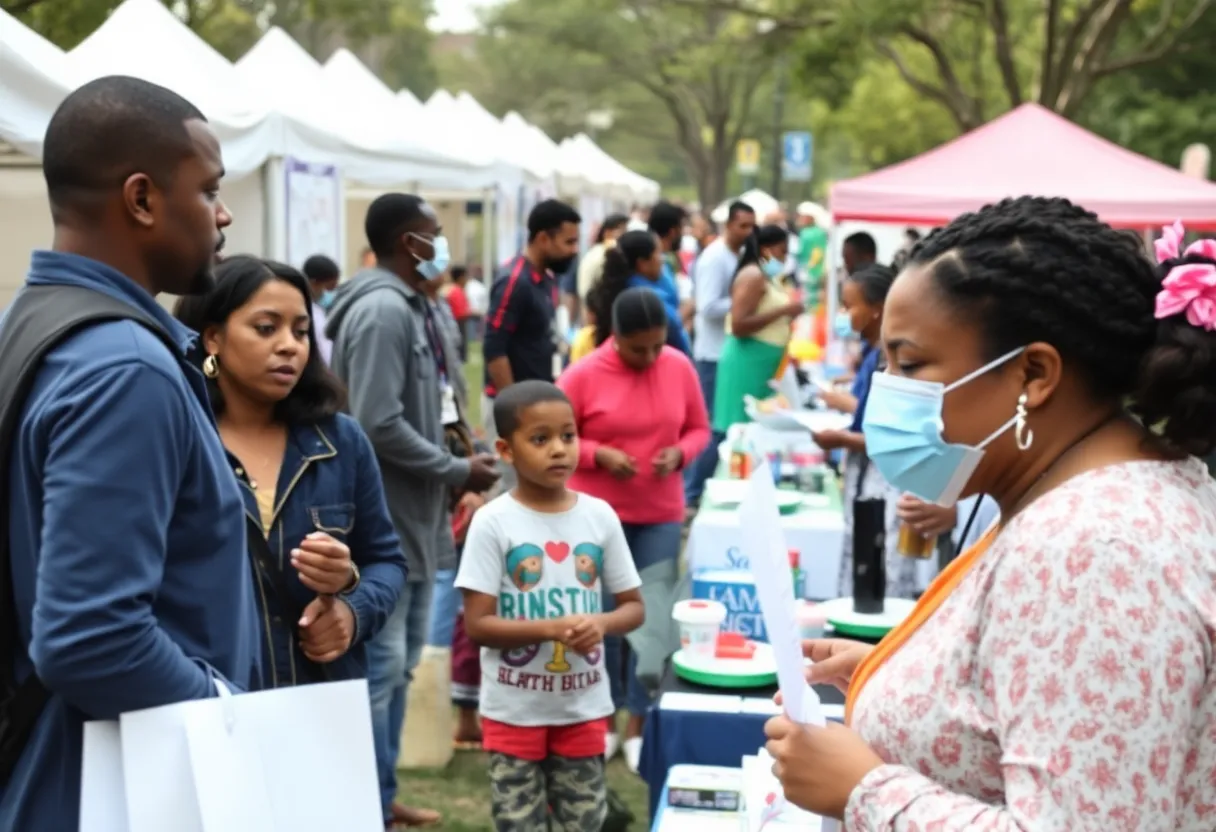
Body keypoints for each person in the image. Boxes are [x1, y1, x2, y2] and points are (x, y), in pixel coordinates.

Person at [764, 196, 1216, 828]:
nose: (886, 392)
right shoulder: (1082, 495)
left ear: (1033, 374)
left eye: (911, 363)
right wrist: (903, 678)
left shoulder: (1093, 551)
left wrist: (863, 789)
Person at [0, 76, 259, 831]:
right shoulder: (125, 370)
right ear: (142, 199)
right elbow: (91, 636)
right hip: (111, 787)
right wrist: (227, 715)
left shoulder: (33, 325)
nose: (223, 212)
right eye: (209, 188)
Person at [325, 193, 500, 829]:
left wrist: (466, 452)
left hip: (423, 519)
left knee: (399, 669)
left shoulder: (417, 306)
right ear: (409, 243)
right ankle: (363, 803)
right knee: (381, 671)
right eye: (434, 235)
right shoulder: (380, 312)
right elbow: (376, 422)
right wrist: (455, 469)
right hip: (388, 521)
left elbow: (433, 407)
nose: (442, 245)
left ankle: (383, 793)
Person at [174, 257, 407, 687]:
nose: (290, 346)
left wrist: (352, 605)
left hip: (317, 703)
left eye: (301, 331)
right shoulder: (178, 441)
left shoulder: (340, 440)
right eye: (267, 328)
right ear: (212, 338)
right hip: (209, 702)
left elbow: (387, 561)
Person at [456, 381, 644, 831]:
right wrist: (549, 629)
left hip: (582, 708)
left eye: (568, 435)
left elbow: (633, 608)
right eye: (540, 439)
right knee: (519, 823)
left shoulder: (599, 517)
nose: (559, 449)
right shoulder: (492, 522)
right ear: (506, 449)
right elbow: (478, 625)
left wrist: (599, 623)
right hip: (513, 711)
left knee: (584, 821)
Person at [558, 288, 708, 770]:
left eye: (656, 346)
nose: (649, 357)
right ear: (614, 338)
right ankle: (600, 722)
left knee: (653, 624)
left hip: (659, 512)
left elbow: (699, 429)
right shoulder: (581, 375)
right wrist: (597, 453)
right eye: (637, 348)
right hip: (595, 516)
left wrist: (681, 454)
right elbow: (553, 438)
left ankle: (639, 723)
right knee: (599, 623)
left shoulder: (678, 367)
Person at [810, 263, 918, 599]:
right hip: (865, 474)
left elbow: (892, 437)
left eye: (849, 306)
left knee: (882, 572)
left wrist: (842, 438)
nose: (843, 314)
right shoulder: (873, 354)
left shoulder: (893, 360)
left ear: (876, 311)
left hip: (885, 482)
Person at [482, 199, 581, 456]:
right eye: (569, 242)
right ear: (543, 239)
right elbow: (494, 349)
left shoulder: (546, 278)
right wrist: (514, 409)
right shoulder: (515, 282)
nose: (575, 250)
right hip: (514, 409)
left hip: (535, 404)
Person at [685, 201, 755, 505]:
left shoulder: (737, 256)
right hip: (712, 355)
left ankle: (705, 490)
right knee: (713, 427)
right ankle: (693, 495)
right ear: (728, 225)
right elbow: (707, 306)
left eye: (752, 226)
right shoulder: (715, 258)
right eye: (742, 226)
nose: (748, 232)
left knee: (723, 426)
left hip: (726, 354)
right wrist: (745, 304)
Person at [712, 224, 803, 432]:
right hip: (747, 362)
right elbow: (738, 324)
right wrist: (784, 311)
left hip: (762, 366)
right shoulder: (753, 276)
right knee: (740, 428)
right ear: (766, 249)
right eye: (782, 252)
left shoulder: (766, 276)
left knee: (756, 427)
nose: (784, 258)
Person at [585, 229, 690, 355]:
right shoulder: (647, 301)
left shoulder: (617, 289)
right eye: (659, 254)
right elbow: (677, 338)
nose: (663, 260)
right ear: (642, 263)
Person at [576, 213, 629, 308]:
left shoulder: (596, 251)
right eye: (622, 230)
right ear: (607, 232)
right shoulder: (604, 254)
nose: (626, 234)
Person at [302, 253, 340, 365]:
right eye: (329, 287)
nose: (331, 294)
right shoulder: (308, 312)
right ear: (313, 283)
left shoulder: (319, 310)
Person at [796, 203, 828, 308]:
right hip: (818, 270)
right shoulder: (820, 232)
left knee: (808, 299)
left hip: (808, 270)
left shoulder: (806, 233)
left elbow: (803, 252)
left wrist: (809, 266)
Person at [443, 265, 472, 362]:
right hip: (458, 324)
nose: (467, 280)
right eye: (466, 277)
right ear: (461, 277)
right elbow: (460, 312)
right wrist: (473, 313)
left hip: (459, 323)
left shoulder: (456, 290)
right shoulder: (456, 291)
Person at [464, 266, 489, 343]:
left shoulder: (477, 286)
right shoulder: (469, 286)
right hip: (471, 314)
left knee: (475, 335)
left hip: (475, 313)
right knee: (473, 335)